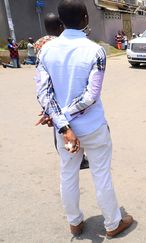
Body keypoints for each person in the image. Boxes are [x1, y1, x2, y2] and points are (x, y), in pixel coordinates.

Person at [34, 0, 133, 237]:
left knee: (67, 173)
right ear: (86, 18)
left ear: (60, 21)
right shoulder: (95, 51)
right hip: (93, 127)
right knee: (101, 174)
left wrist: (61, 123)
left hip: (64, 131)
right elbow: (91, 96)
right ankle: (112, 224)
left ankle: (75, 223)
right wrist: (65, 118)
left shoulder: (45, 50)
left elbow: (43, 94)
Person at [34, 12, 88, 170]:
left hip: (48, 94)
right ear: (60, 26)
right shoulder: (60, 44)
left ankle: (68, 155)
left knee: (59, 127)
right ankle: (78, 157)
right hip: (66, 92)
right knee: (75, 124)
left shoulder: (40, 43)